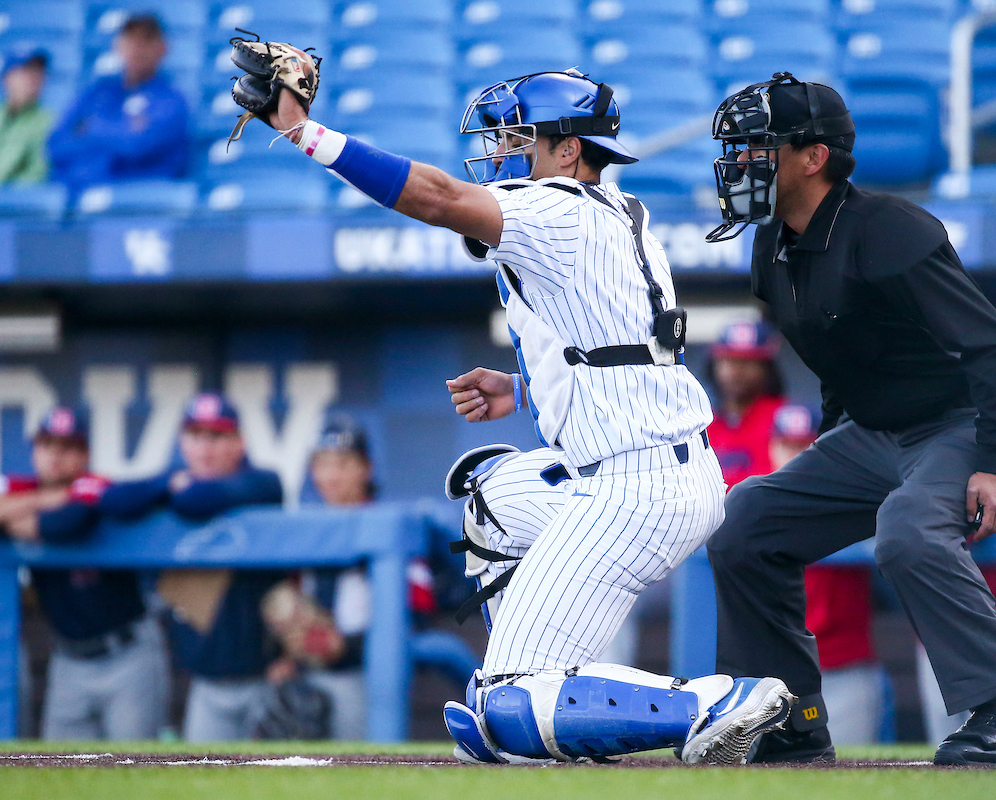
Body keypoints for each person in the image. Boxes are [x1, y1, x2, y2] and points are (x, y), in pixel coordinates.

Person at [242, 56, 795, 763]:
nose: (504, 150)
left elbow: (437, 198)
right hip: (643, 469)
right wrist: (528, 389)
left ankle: (707, 705)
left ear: (570, 151)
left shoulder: (560, 206)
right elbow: (619, 351)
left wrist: (304, 132)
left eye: (520, 137)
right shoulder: (613, 211)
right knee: (493, 497)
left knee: (505, 700)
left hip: (636, 488)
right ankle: (540, 695)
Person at [704, 72, 996, 766]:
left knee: (907, 533)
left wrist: (993, 461)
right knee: (743, 523)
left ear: (813, 157)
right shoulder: (770, 244)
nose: (742, 162)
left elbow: (992, 346)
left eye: (759, 146)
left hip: (958, 423)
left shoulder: (889, 227)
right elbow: (842, 361)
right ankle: (789, 718)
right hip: (872, 435)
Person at [266, 415, 480, 740]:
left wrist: (348, 646)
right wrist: (284, 654)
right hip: (306, 673)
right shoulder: (304, 530)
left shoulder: (391, 527)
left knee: (356, 770)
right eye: (323, 464)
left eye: (343, 464)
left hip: (366, 675)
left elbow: (417, 616)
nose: (332, 475)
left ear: (365, 468)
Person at [97, 393, 283, 741]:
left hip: (266, 676)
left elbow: (196, 500)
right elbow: (112, 500)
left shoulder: (262, 482)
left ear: (238, 442)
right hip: (205, 681)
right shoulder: (176, 479)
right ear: (183, 442)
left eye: (217, 436)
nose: (206, 447)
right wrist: (168, 483)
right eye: (197, 436)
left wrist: (176, 489)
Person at [0, 407, 169, 739]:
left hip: (127, 653)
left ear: (84, 454)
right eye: (47, 445)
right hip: (67, 660)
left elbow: (66, 524)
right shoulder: (26, 487)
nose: (55, 456)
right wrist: (50, 497)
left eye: (66, 447)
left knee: (134, 774)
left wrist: (22, 515)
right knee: (62, 775)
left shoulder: (95, 484)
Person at [768, 405, 886, 747]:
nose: (794, 455)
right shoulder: (748, 501)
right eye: (786, 444)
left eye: (803, 445)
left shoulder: (853, 497)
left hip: (844, 664)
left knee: (850, 773)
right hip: (775, 677)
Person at [47, 13, 187, 191]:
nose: (137, 48)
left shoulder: (171, 101)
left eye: (146, 40)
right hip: (81, 198)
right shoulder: (97, 93)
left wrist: (89, 128)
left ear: (162, 48)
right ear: (118, 45)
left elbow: (136, 145)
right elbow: (56, 145)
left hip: (140, 203)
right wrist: (123, 130)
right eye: (130, 40)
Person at [705, 321, 787, 488]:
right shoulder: (701, 422)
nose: (737, 371)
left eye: (748, 362)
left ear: (767, 369)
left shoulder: (785, 419)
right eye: (729, 360)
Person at [0, 46, 51, 184]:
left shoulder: (50, 123)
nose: (34, 78)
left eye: (39, 72)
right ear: (8, 77)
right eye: (26, 71)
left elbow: (37, 174)